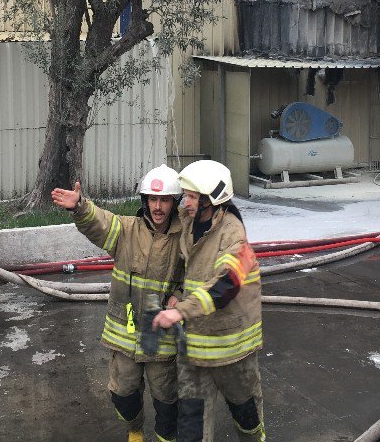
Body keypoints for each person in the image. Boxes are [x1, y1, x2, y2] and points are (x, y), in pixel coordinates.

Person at [52, 165, 185, 442]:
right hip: (124, 333)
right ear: (145, 201)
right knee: (122, 395)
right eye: (153, 199)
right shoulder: (126, 230)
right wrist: (80, 207)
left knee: (167, 401)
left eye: (165, 200)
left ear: (175, 202)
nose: (158, 207)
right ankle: (135, 430)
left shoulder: (185, 239)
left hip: (160, 336)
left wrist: (180, 296)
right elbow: (99, 222)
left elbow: (198, 275)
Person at [151, 160, 264, 442]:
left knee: (246, 416)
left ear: (211, 200)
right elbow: (186, 270)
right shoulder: (189, 223)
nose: (185, 202)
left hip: (232, 349)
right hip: (194, 348)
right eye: (186, 195)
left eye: (192, 196)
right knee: (191, 424)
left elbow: (226, 285)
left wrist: (181, 312)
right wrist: (176, 295)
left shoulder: (234, 235)